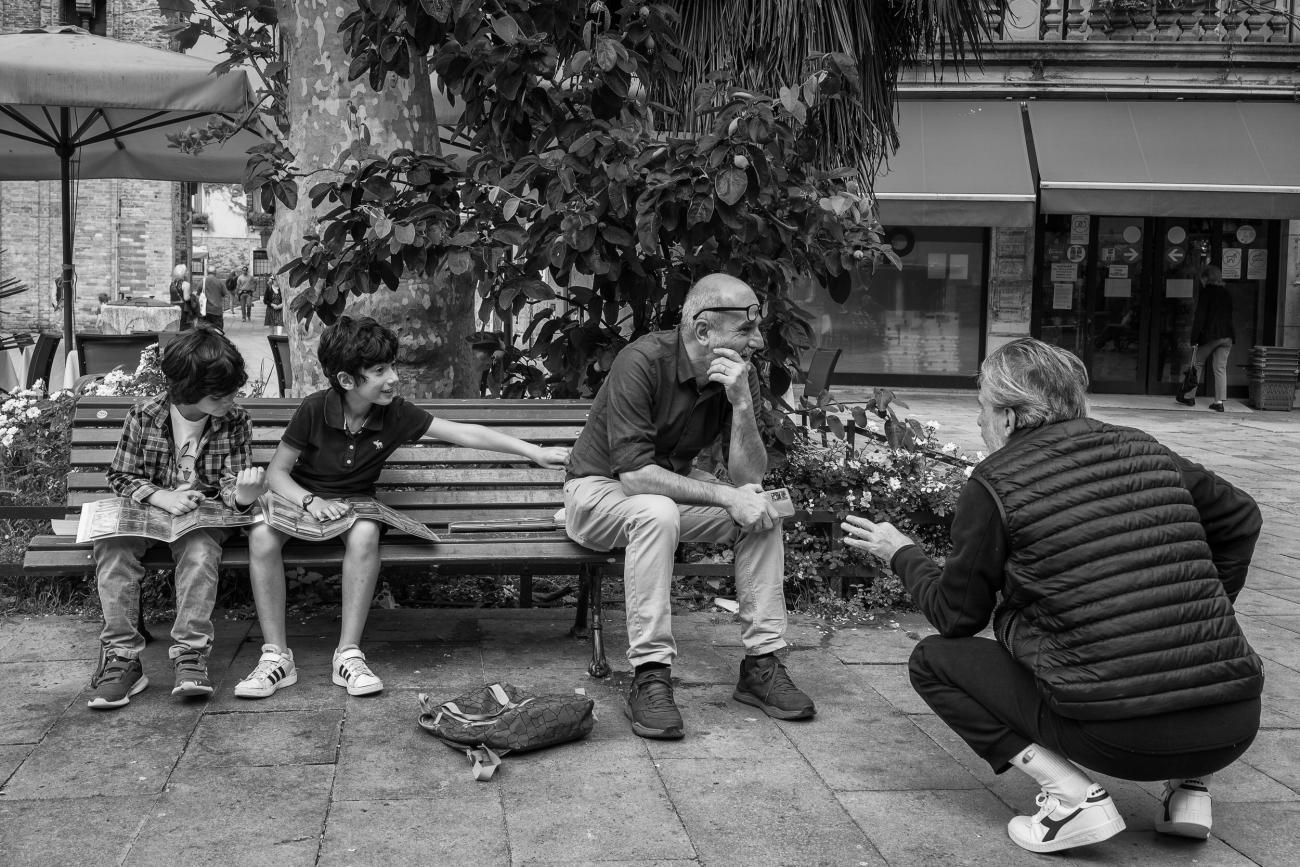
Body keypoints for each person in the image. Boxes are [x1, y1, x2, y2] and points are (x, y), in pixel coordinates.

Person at [840, 338, 1263, 854]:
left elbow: (956, 618)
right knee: (1176, 652)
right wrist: (1205, 610)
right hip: (1236, 726)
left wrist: (901, 553)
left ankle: (1072, 800)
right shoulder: (1146, 447)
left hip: (1120, 740)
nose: (978, 421)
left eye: (982, 409)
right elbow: (1241, 516)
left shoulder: (996, 482)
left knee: (934, 661)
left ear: (1009, 417)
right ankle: (1189, 791)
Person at [234, 316, 569, 698]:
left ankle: (348, 655)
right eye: (380, 371)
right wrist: (310, 501)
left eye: (392, 366)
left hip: (355, 504)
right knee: (261, 535)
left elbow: (463, 432)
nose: (393, 377)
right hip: (300, 498)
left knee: (365, 533)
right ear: (346, 380)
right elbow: (277, 474)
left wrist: (534, 452)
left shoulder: (394, 412)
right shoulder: (314, 409)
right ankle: (276, 657)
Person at [564, 273, 815, 741]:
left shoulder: (739, 374)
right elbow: (635, 476)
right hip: (598, 491)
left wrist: (742, 405)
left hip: (667, 490)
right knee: (657, 511)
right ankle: (650, 674)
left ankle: (761, 664)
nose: (758, 341)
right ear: (703, 331)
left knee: (761, 511)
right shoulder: (641, 361)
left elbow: (748, 478)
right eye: (746, 329)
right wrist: (725, 495)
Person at [87, 326, 266, 709]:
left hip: (200, 517)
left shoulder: (235, 420)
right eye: (219, 395)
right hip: (148, 511)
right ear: (186, 389)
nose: (230, 400)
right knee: (112, 548)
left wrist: (243, 495)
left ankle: (190, 654)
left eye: (233, 391)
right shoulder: (145, 415)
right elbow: (121, 475)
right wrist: (161, 496)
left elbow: (231, 482)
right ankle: (122, 658)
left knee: (200, 551)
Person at [1178, 264, 1235, 412]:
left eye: (1202, 278)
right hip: (1227, 335)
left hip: (1211, 335)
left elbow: (1200, 316)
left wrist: (1194, 338)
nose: (1201, 281)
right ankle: (1219, 402)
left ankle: (1189, 396)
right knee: (1220, 368)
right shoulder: (1227, 293)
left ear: (1206, 278)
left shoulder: (1206, 292)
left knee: (1197, 363)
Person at [168, 264, 193, 331]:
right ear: (182, 272)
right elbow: (186, 298)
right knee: (183, 327)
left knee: (175, 327)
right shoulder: (186, 284)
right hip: (182, 308)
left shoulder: (172, 284)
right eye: (186, 270)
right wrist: (192, 297)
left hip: (173, 307)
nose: (188, 272)